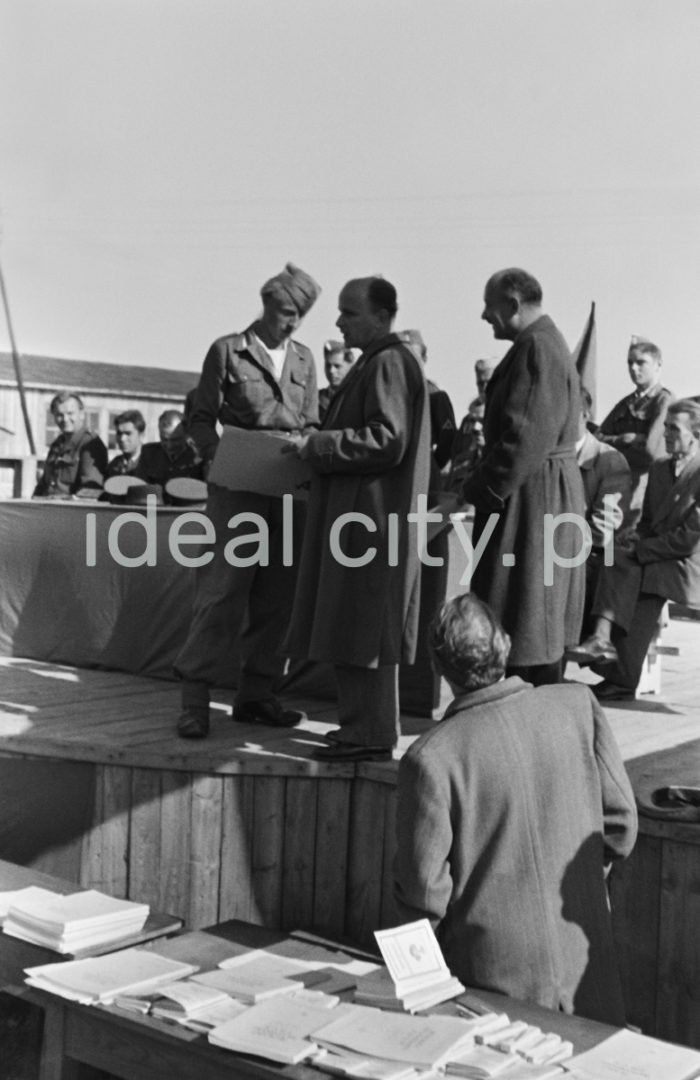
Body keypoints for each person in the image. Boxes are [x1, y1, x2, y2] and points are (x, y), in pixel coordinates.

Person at [394, 593, 638, 1025]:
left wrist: (415, 997)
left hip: (490, 990)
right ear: (505, 645)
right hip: (587, 968)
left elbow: (423, 896)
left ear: (438, 667)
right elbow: (621, 826)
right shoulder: (578, 706)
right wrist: (577, 886)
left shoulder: (430, 758)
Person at [283, 276, 431, 762]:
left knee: (363, 626)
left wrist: (318, 445)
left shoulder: (388, 362)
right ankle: (363, 729)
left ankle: (367, 734)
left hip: (368, 520)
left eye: (349, 313)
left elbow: (388, 438)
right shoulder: (383, 361)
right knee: (358, 624)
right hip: (366, 518)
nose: (340, 322)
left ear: (382, 316)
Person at [175, 262, 321, 739]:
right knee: (221, 593)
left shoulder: (304, 359)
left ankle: (257, 696)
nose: (292, 322)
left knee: (278, 597)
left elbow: (312, 421)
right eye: (285, 312)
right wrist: (222, 457)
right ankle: (194, 700)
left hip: (288, 490)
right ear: (265, 305)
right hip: (237, 489)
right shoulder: (226, 351)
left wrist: (310, 446)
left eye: (300, 314)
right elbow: (200, 419)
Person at [459, 268, 586, 684]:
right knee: (531, 618)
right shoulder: (541, 344)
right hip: (538, 495)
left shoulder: (537, 349)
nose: (483, 316)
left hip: (533, 503)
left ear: (512, 305)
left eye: (488, 306)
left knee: (529, 619)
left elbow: (522, 442)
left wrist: (474, 490)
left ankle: (529, 724)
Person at [571, 399, 700, 700]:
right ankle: (617, 670)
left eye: (674, 429)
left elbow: (690, 539)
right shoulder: (658, 469)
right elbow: (649, 523)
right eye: (665, 426)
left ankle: (608, 651)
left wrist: (642, 549)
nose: (666, 434)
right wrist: (633, 537)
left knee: (630, 570)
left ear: (696, 433)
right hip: (660, 555)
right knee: (617, 558)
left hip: (688, 563)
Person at [565, 387, 633, 646]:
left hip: (587, 555)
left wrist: (556, 545)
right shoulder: (547, 455)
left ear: (584, 414)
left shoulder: (610, 460)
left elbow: (603, 528)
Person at [598, 336, 673, 518]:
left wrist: (615, 449)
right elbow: (597, 439)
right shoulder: (626, 403)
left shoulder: (664, 401)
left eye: (641, 363)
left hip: (645, 487)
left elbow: (651, 452)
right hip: (616, 485)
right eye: (630, 363)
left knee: (631, 537)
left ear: (658, 365)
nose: (633, 368)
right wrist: (624, 439)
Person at [33, 392, 108, 498]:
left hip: (71, 511)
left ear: (81, 414)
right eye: (59, 415)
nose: (65, 419)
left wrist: (57, 500)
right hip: (48, 508)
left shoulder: (90, 444)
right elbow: (43, 484)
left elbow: (90, 491)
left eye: (70, 414)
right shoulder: (57, 445)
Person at [138, 410, 204, 493]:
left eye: (175, 440)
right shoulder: (149, 453)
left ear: (186, 435)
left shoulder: (198, 456)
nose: (169, 445)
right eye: (164, 439)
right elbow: (143, 490)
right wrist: (153, 506)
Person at [318, 340, 355, 420]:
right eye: (328, 366)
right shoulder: (316, 399)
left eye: (337, 366)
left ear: (350, 367)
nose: (331, 371)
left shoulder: (357, 399)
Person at [106, 410, 146, 478]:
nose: (122, 439)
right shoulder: (113, 466)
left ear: (141, 435)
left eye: (128, 434)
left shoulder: (151, 465)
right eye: (119, 433)